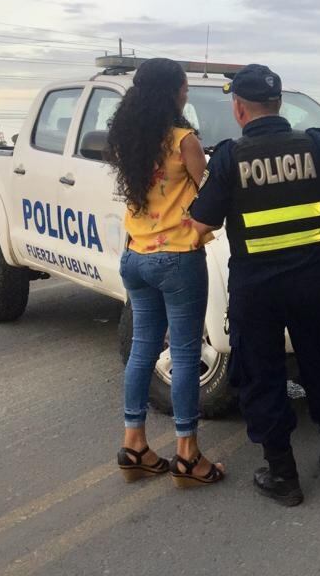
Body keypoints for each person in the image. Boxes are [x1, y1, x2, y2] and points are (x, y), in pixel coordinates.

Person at [190, 63, 320, 507]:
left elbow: (201, 223)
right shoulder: (316, 145)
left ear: (239, 108)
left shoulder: (230, 157)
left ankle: (283, 475)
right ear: (279, 103)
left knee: (263, 375)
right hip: (309, 281)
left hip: (258, 289)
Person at [105, 58, 225, 488]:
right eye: (184, 86)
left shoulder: (126, 139)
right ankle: (187, 454)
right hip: (177, 258)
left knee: (143, 349)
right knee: (187, 355)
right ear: (171, 91)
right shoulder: (184, 141)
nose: (187, 92)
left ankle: (134, 443)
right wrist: (203, 225)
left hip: (135, 256)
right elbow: (212, 193)